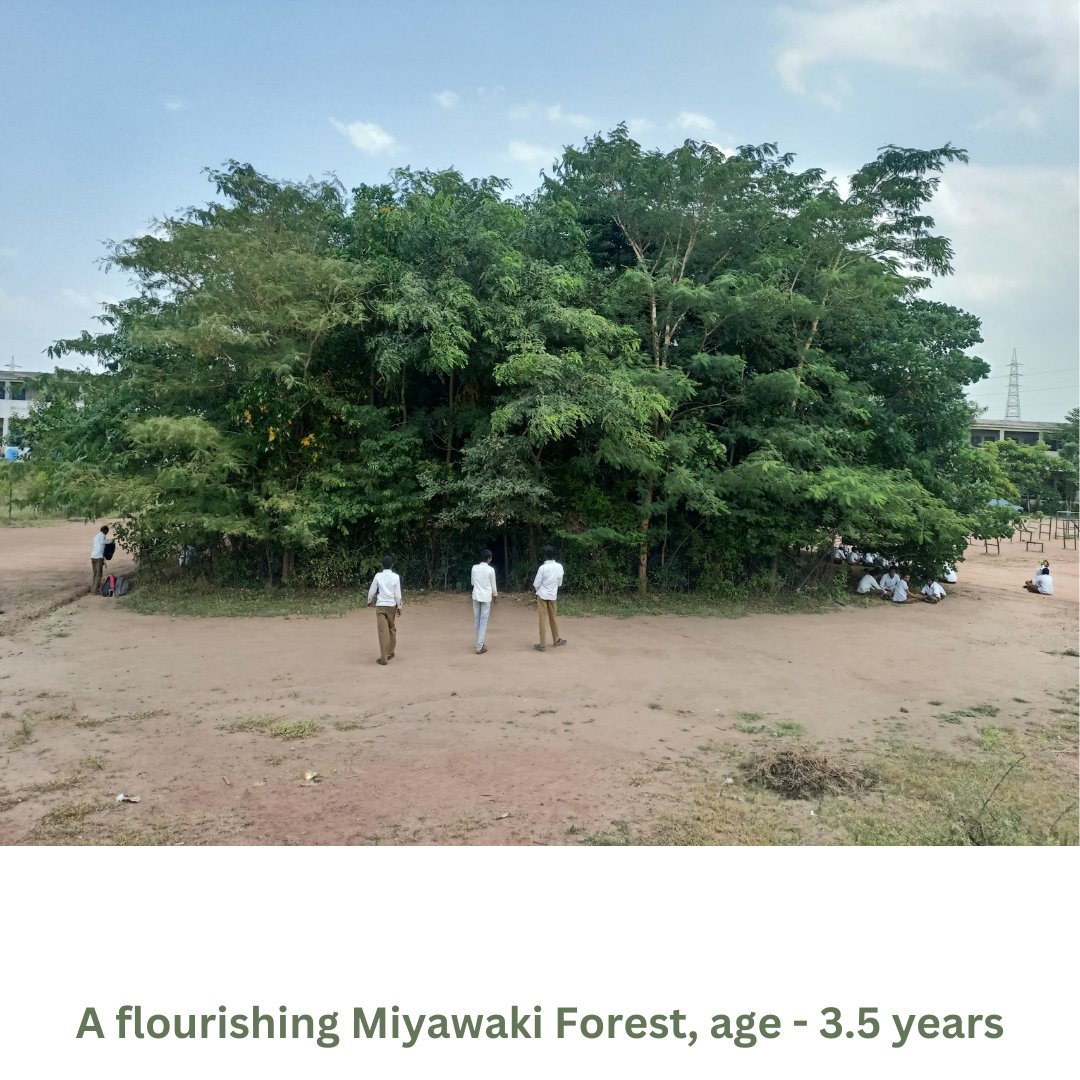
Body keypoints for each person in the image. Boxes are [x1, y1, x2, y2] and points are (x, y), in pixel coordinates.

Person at [366, 555, 403, 665]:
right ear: (392, 565)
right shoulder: (396, 577)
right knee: (391, 628)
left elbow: (372, 590)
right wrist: (399, 607)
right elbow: (397, 594)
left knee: (383, 632)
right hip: (392, 606)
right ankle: (390, 652)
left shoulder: (378, 576)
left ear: (382, 565)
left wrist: (369, 601)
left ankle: (383, 658)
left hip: (381, 606)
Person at [532, 544, 566, 652]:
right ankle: (556, 639)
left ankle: (542, 644)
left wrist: (538, 591)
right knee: (553, 618)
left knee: (542, 619)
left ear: (545, 555)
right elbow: (559, 583)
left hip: (542, 595)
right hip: (552, 595)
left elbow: (536, 583)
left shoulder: (542, 568)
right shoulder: (559, 567)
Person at [470, 549, 498, 654]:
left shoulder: (474, 568)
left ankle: (479, 643)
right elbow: (493, 585)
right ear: (489, 558)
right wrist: (495, 596)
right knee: (483, 621)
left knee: (477, 620)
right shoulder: (491, 570)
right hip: (486, 597)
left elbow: (473, 582)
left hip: (476, 596)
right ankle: (479, 646)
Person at [90, 525, 109, 595]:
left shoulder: (96, 536)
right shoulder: (102, 535)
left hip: (93, 556)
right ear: (105, 530)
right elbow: (103, 542)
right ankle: (95, 591)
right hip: (98, 557)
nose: (107, 533)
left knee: (95, 574)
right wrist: (110, 541)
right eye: (107, 531)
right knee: (98, 574)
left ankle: (93, 589)